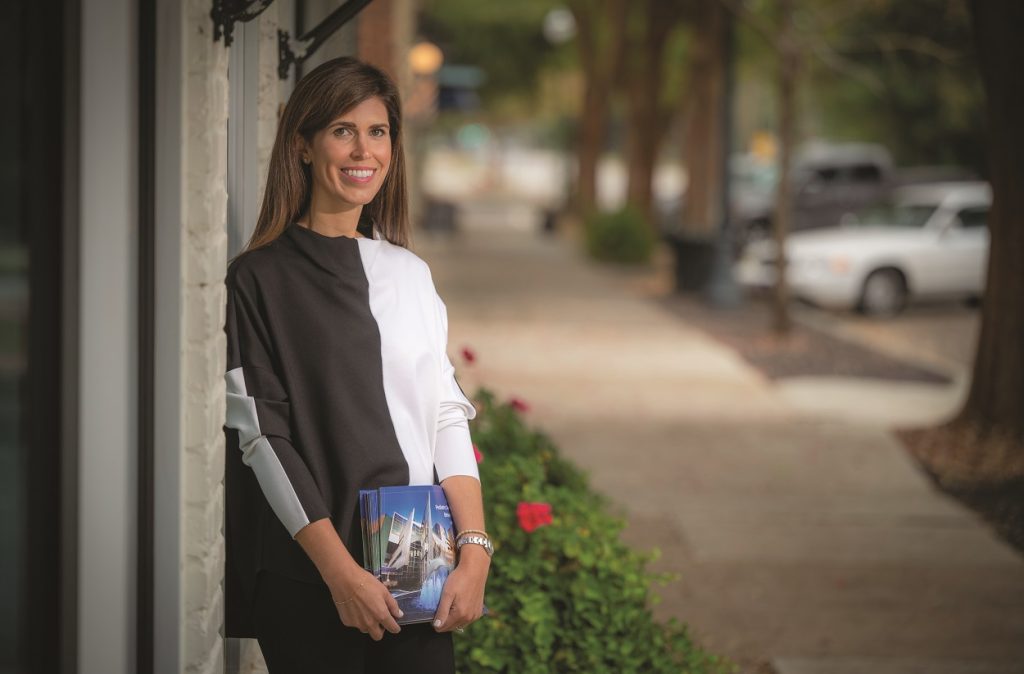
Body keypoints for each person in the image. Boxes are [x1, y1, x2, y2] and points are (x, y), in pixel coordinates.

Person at [222, 56, 491, 673]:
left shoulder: (409, 273)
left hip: (415, 551)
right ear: (304, 146)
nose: (362, 149)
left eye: (378, 132)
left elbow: (445, 415)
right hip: (308, 568)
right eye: (343, 130)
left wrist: (474, 553)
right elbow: (264, 437)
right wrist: (339, 573)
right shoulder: (257, 278)